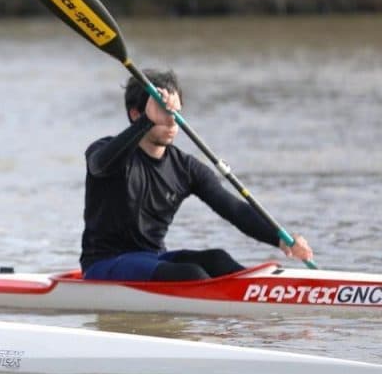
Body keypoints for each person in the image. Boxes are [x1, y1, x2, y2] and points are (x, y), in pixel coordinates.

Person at [80, 69, 313, 281]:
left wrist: (281, 238)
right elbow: (100, 166)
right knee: (191, 274)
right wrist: (146, 122)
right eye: (163, 112)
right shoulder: (105, 151)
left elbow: (235, 209)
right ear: (136, 114)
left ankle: (258, 301)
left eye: (176, 112)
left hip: (153, 258)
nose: (172, 121)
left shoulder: (186, 168)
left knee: (218, 259)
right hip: (103, 263)